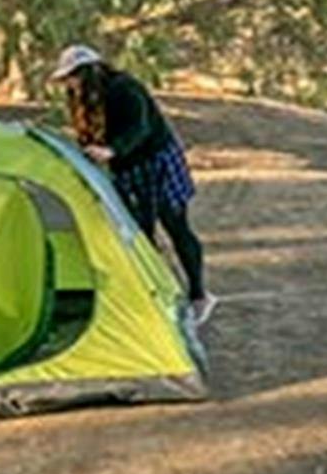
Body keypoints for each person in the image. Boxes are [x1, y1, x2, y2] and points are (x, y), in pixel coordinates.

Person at [50, 45, 210, 320]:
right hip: (126, 168)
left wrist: (113, 150)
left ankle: (199, 295)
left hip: (157, 159)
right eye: (66, 79)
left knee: (175, 224)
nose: (69, 84)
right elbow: (86, 131)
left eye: (72, 77)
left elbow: (140, 127)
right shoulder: (79, 97)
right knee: (140, 232)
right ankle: (159, 294)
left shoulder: (124, 88)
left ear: (88, 72)